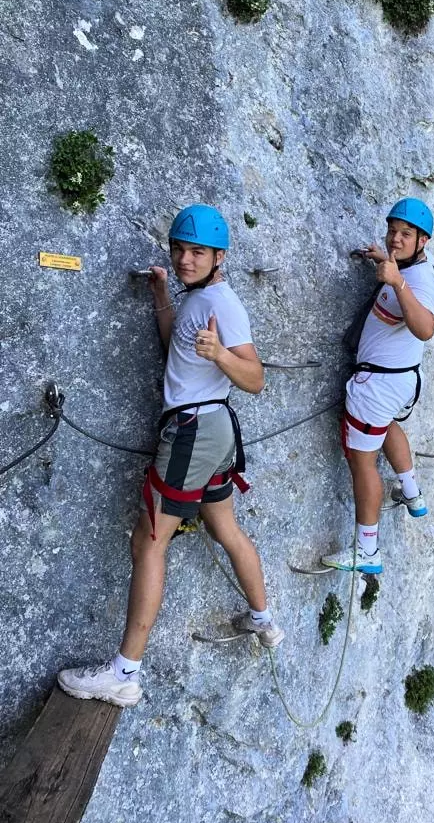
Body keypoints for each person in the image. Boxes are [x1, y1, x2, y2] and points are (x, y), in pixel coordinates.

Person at [58, 205, 283, 708]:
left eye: (197, 251)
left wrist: (221, 355)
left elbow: (256, 379)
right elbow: (176, 351)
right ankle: (264, 620)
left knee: (150, 540)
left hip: (193, 433)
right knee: (223, 527)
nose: (185, 259)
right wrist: (163, 296)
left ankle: (124, 674)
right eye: (179, 249)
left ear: (220, 257)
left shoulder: (222, 303)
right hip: (212, 429)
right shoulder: (198, 298)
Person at [322, 199, 434, 575]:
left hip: (379, 384)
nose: (395, 239)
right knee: (386, 427)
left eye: (405, 234)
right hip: (400, 380)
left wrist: (397, 281)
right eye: (392, 231)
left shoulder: (416, 279)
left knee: (363, 463)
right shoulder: (411, 267)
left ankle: (368, 551)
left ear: (423, 240)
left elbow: (426, 328)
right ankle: (412, 492)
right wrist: (384, 262)